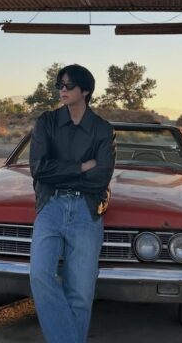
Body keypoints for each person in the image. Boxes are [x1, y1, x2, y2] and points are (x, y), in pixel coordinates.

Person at [29, 64, 116, 343]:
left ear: (85, 90)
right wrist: (80, 167)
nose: (62, 90)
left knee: (80, 293)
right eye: (60, 85)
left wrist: (61, 171)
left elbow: (101, 177)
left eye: (69, 85)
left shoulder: (102, 129)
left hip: (86, 210)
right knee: (40, 275)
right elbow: (39, 168)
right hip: (50, 205)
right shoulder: (47, 122)